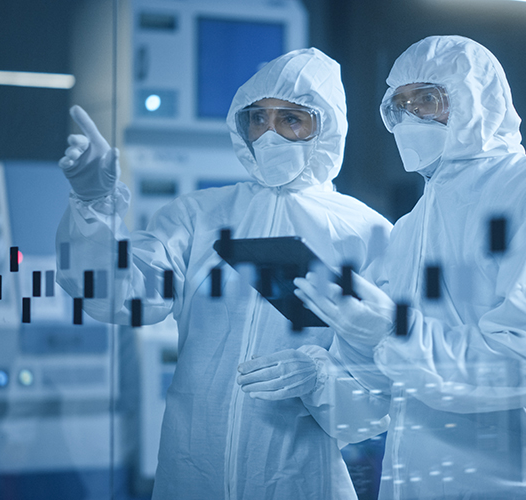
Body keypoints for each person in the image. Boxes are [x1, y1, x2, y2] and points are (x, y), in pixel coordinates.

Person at [55, 47, 392, 499]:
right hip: (192, 470)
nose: (269, 134)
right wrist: (92, 208)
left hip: (297, 481)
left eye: (292, 119)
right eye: (257, 118)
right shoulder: (198, 216)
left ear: (326, 128)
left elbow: (377, 395)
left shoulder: (365, 233)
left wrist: (320, 378)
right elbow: (116, 296)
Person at [294, 36, 526, 499]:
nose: (410, 117)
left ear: (476, 98)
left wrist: (391, 333)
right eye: (398, 106)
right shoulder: (411, 227)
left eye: (427, 100)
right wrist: (324, 376)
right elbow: (379, 395)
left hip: (516, 488)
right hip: (413, 484)